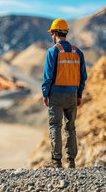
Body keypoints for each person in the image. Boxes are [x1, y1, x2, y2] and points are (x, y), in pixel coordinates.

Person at [42, 18, 87, 168]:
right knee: (71, 127)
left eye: (51, 33)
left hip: (56, 95)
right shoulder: (78, 52)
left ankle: (56, 161)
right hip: (72, 95)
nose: (51, 36)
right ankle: (71, 161)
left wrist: (45, 93)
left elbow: (48, 76)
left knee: (55, 126)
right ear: (65, 33)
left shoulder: (53, 51)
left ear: (54, 33)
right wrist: (79, 94)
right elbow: (83, 76)